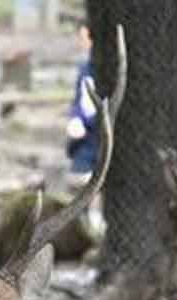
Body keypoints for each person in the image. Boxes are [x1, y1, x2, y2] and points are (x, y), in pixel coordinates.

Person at [66, 22, 98, 182]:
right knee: (77, 178)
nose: (81, 42)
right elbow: (78, 99)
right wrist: (76, 118)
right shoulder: (84, 68)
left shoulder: (102, 69)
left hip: (98, 134)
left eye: (84, 38)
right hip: (84, 138)